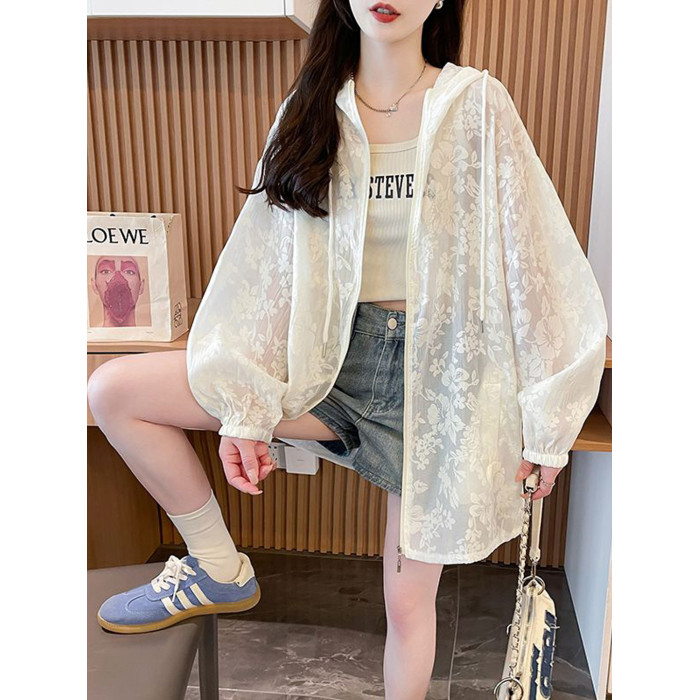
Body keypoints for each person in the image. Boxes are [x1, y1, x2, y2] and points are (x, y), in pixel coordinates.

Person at [88, 0, 608, 696]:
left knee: (407, 604)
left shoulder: (479, 107)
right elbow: (267, 269)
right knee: (114, 392)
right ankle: (216, 564)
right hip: (329, 365)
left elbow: (537, 261)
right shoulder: (310, 113)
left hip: (440, 382)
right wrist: (245, 407)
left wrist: (549, 425)